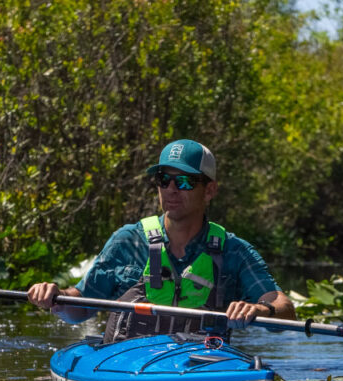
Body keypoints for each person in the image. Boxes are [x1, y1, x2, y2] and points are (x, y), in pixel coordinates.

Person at [27, 139, 295, 342]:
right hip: (128, 367)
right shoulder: (128, 241)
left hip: (200, 367)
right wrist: (57, 298)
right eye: (163, 180)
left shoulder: (234, 251)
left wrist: (258, 309)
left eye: (185, 182)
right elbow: (79, 307)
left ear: (210, 190)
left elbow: (284, 309)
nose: (171, 189)